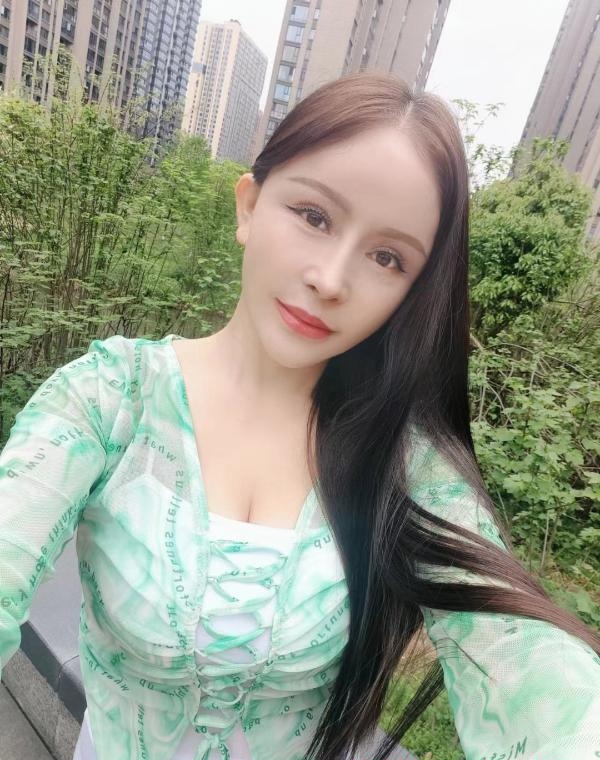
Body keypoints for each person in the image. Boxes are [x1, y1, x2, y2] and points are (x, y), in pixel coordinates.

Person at [0, 71, 599, 760]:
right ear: (249, 205)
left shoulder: (405, 461)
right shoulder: (109, 401)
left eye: (387, 257)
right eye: (314, 216)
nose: (331, 280)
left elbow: (529, 666)